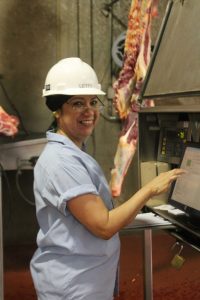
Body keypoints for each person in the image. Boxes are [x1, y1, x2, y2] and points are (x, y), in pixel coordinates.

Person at [30, 57, 185, 300]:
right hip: (75, 286)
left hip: (84, 278)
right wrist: (149, 190)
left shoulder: (71, 152)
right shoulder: (61, 162)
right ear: (57, 110)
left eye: (93, 102)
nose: (89, 111)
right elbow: (103, 226)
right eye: (77, 103)